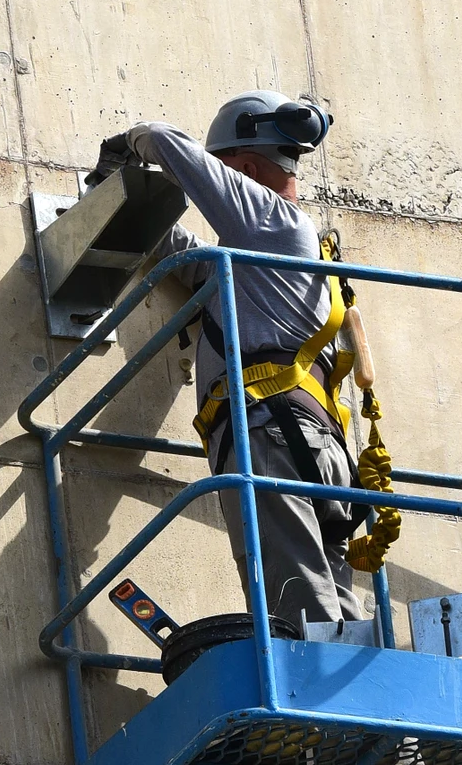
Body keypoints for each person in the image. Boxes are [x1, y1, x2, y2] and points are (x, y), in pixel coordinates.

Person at [97, 91, 365, 630]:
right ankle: (353, 705)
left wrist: (125, 146)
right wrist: (116, 199)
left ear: (244, 168)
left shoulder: (274, 222)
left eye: (228, 174)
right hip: (314, 445)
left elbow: (170, 143)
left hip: (271, 436)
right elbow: (189, 260)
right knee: (335, 609)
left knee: (294, 609)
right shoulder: (265, 258)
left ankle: (312, 709)